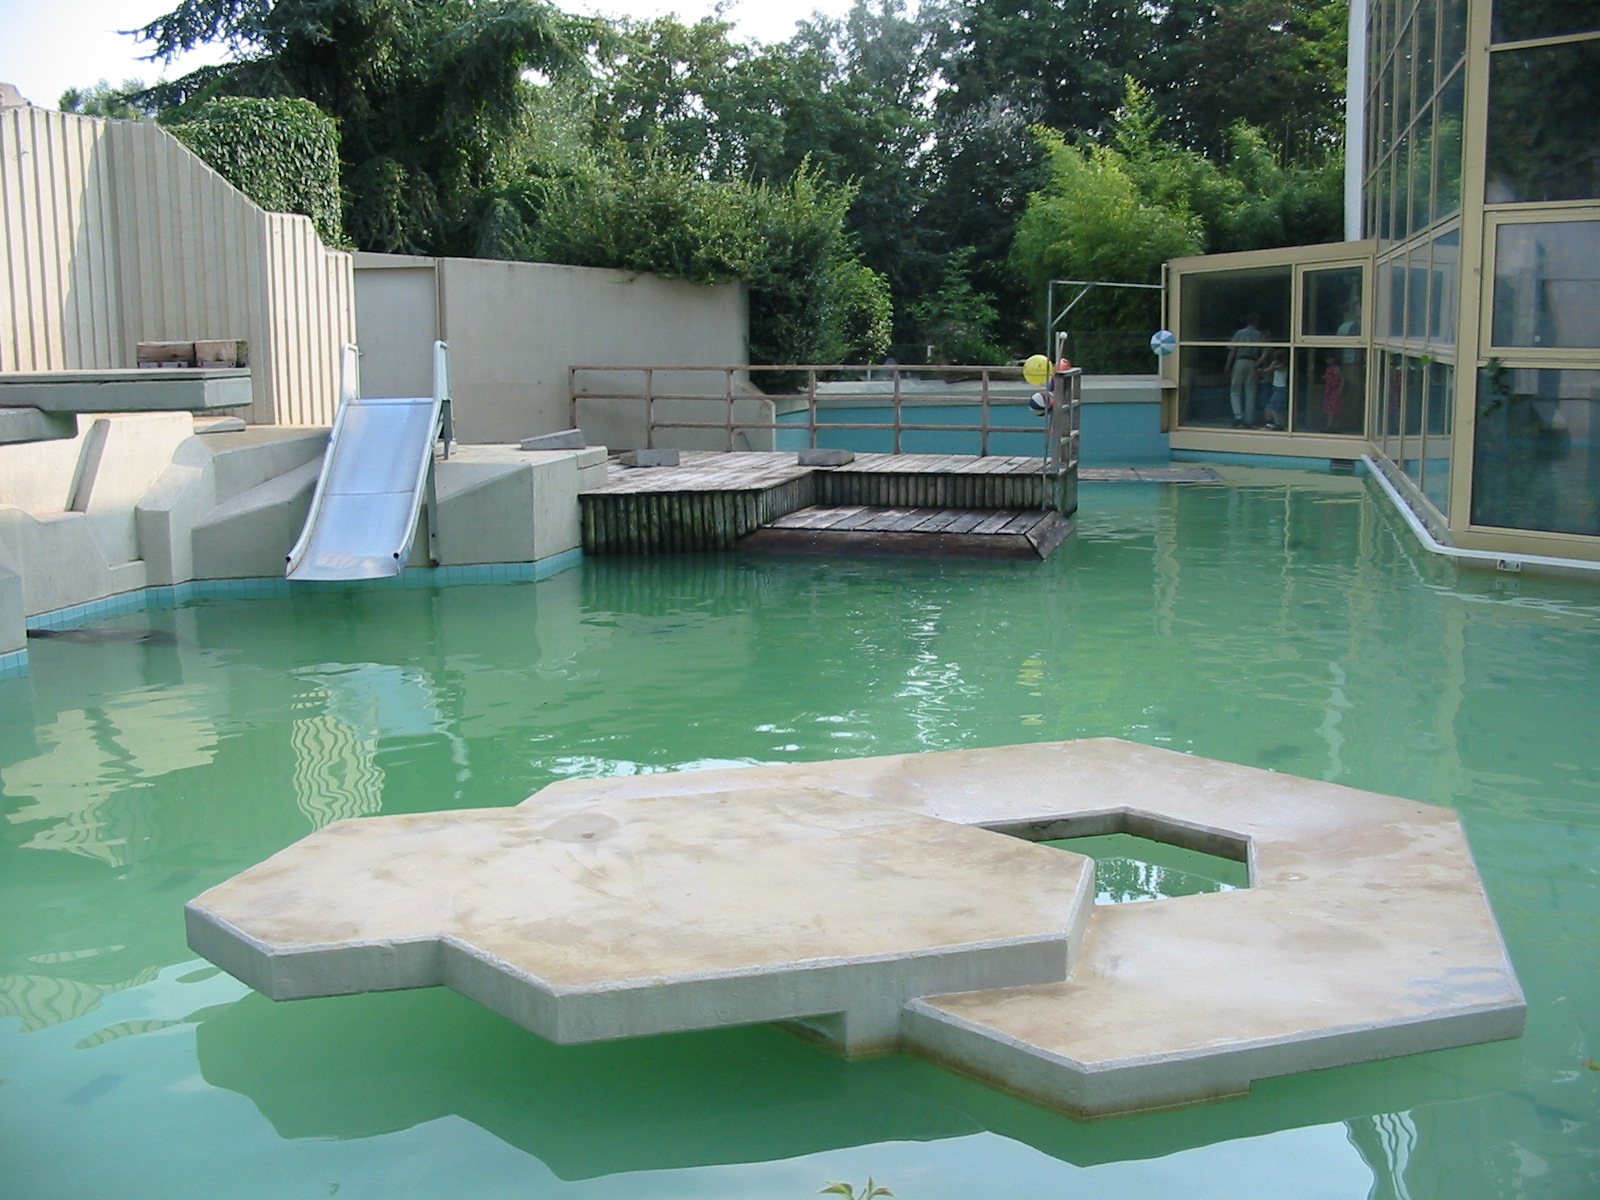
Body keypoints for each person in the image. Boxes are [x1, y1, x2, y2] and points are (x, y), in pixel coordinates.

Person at [1223, 313, 1264, 427]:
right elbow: (1263, 352)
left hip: (1240, 361)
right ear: (1256, 322)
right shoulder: (1259, 334)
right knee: (1250, 391)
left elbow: (1232, 350)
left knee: (1235, 390)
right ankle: (1249, 420)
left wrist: (1227, 365)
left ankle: (1238, 417)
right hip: (1253, 362)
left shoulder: (1239, 333)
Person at [1257, 344, 1288, 430]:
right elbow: (1270, 367)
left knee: (1272, 406)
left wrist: (1261, 371)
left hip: (1280, 389)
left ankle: (1278, 424)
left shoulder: (1282, 366)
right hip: (1276, 388)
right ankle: (1281, 424)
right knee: (1278, 408)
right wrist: (1273, 362)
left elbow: (1270, 369)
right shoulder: (1276, 364)